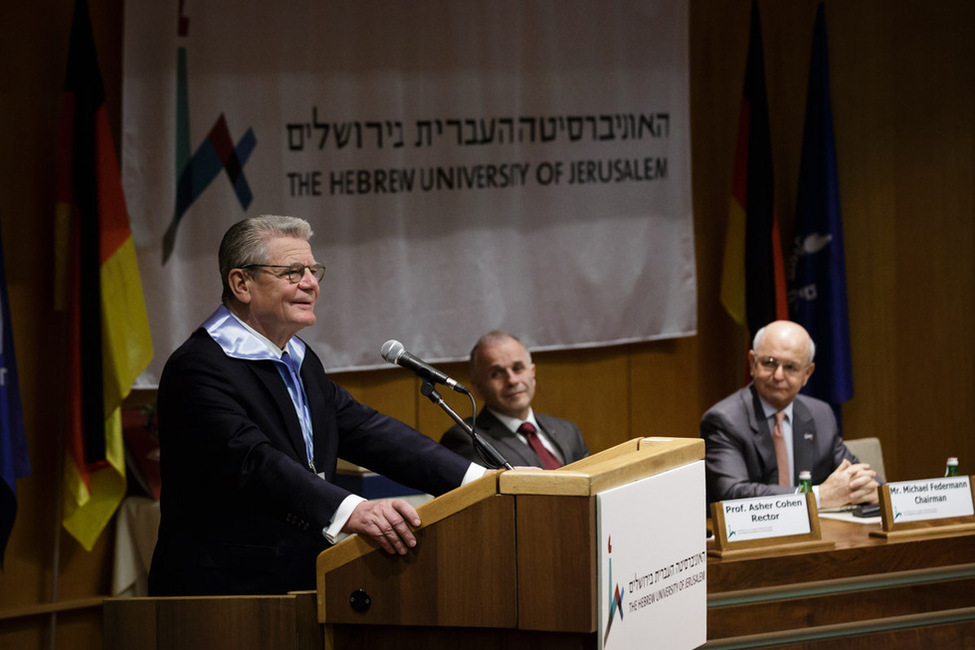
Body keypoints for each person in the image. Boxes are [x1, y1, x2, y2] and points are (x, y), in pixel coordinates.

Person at [148, 215, 483, 596]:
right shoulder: (199, 368)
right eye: (292, 272)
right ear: (242, 284)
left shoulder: (300, 360)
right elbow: (252, 461)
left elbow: (367, 431)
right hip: (224, 595)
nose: (311, 284)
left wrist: (479, 481)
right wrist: (351, 510)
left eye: (313, 270)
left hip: (300, 580)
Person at [700, 320, 879, 508]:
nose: (778, 376)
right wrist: (817, 496)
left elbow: (854, 474)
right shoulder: (724, 420)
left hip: (815, 534)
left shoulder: (820, 415)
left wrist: (870, 489)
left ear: (807, 374)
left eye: (790, 367)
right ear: (752, 363)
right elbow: (733, 493)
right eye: (769, 363)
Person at [440, 330, 589, 468]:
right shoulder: (468, 439)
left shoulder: (568, 431)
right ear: (478, 388)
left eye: (518, 368)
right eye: (496, 374)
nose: (512, 380)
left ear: (532, 374)